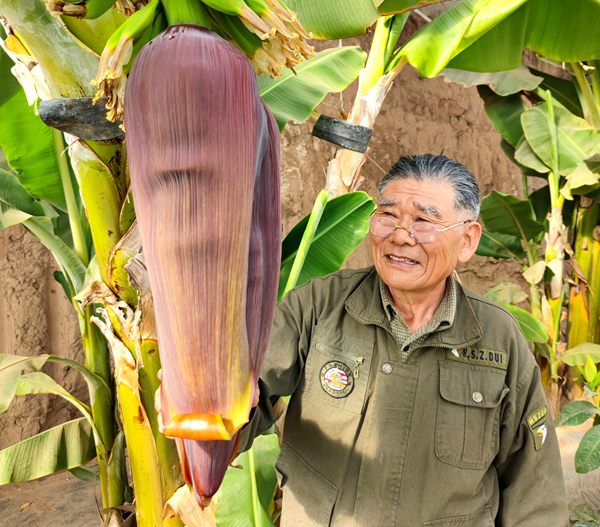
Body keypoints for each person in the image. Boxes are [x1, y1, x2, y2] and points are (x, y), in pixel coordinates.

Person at [238, 154, 569, 526]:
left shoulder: (499, 340)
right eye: (388, 216)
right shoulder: (317, 307)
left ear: (467, 240)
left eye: (424, 222)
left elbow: (534, 491)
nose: (399, 235)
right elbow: (237, 407)